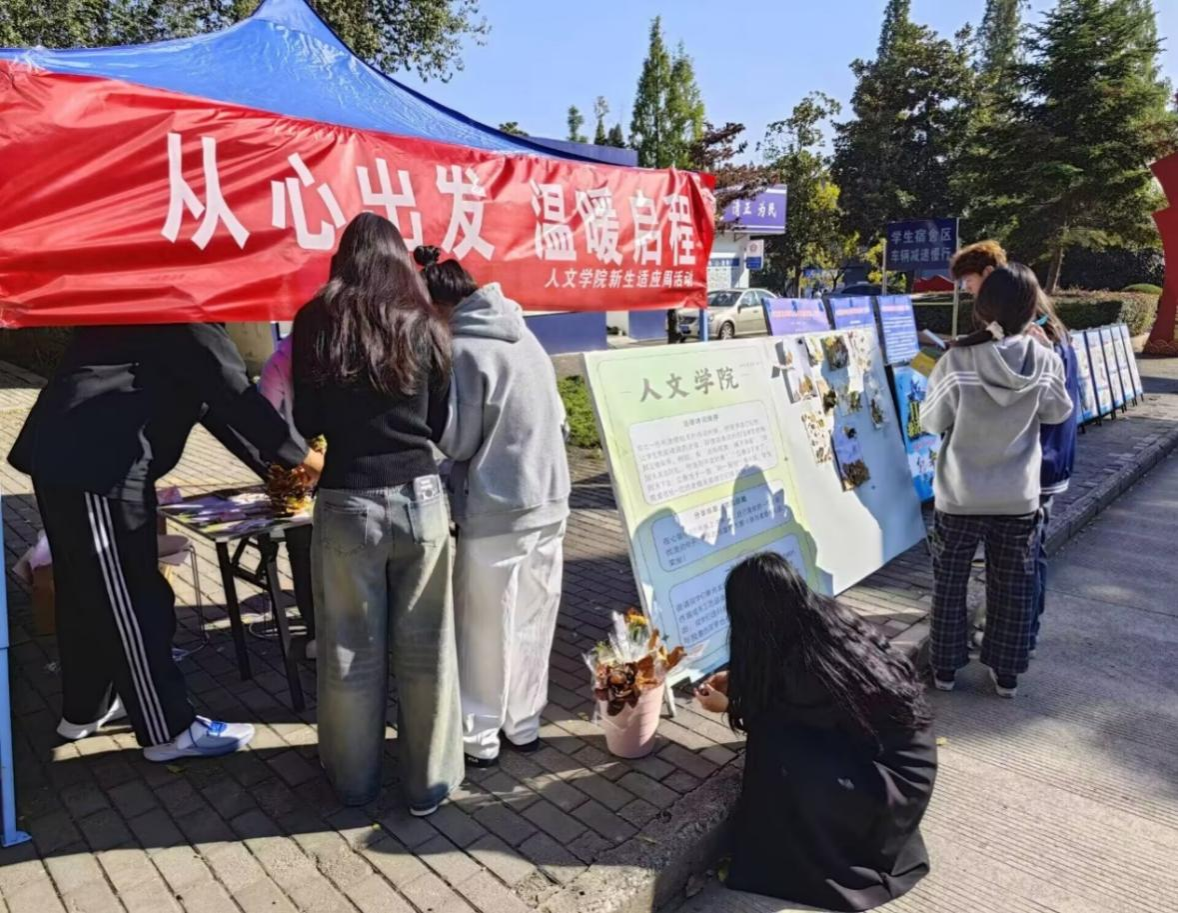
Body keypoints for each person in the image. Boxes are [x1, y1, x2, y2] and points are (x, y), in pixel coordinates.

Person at [8, 323, 318, 761]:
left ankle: (85, 709)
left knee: (86, 594)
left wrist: (276, 469)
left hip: (76, 461)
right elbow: (231, 392)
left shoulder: (159, 304)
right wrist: (305, 458)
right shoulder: (186, 309)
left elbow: (214, 403)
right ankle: (168, 731)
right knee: (133, 601)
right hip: (97, 465)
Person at [292, 214, 462, 815]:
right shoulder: (426, 323)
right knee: (427, 649)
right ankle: (428, 785)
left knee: (348, 650)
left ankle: (353, 783)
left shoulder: (316, 319)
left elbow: (305, 420)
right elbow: (439, 423)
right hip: (421, 498)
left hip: (345, 499)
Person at [695, 553, 936, 913]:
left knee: (775, 747)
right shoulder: (820, 617)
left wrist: (729, 705)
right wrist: (738, 679)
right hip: (901, 754)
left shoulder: (809, 666)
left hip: (891, 784)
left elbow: (779, 717)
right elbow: (789, 690)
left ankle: (802, 853)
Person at [414, 245, 571, 768]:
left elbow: (458, 442)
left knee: (484, 628)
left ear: (438, 307)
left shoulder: (464, 350)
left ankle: (479, 737)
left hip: (497, 508)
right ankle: (524, 724)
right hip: (550, 499)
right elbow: (559, 420)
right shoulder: (525, 334)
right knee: (533, 620)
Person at [922, 263, 1073, 698]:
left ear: (984, 306)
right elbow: (1057, 413)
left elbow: (932, 421)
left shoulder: (957, 360)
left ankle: (945, 669)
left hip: (959, 494)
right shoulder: (1044, 360)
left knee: (950, 582)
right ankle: (1006, 674)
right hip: (1017, 496)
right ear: (1030, 309)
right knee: (1012, 586)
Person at [258, 333, 317, 658]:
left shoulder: (280, 361)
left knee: (303, 549)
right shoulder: (340, 353)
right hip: (332, 471)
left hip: (296, 470)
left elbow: (265, 421)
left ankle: (315, 630)